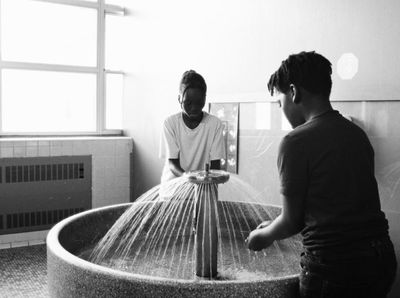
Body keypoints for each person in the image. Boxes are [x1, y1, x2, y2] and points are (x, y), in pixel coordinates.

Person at [246, 51, 397, 298]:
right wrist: (273, 225)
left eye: (279, 102)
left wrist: (262, 236)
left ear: (293, 92)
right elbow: (336, 206)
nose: (281, 110)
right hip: (380, 260)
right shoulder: (356, 134)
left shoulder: (295, 142)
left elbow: (291, 221)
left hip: (334, 268)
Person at [160, 70, 225, 183]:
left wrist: (208, 180)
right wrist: (190, 178)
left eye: (198, 102)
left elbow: (215, 166)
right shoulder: (170, 124)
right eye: (188, 103)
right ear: (179, 99)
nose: (194, 108)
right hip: (174, 190)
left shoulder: (215, 125)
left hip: (203, 189)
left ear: (204, 99)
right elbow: (172, 164)